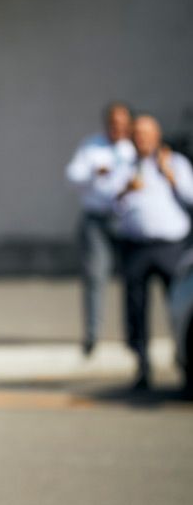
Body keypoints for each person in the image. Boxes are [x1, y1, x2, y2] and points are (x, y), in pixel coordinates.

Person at [107, 114, 193, 390]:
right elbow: (106, 204)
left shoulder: (176, 164)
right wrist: (123, 191)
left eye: (146, 133)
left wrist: (171, 176)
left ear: (157, 136)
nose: (141, 138)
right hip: (136, 247)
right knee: (136, 309)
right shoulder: (125, 167)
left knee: (181, 307)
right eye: (137, 134)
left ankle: (186, 367)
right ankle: (143, 366)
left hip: (171, 247)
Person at [65, 102, 136, 354]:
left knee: (134, 280)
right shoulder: (92, 146)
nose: (117, 127)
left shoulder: (133, 148)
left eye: (122, 123)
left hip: (127, 220)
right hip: (97, 220)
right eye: (113, 123)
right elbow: (72, 175)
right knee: (96, 276)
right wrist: (94, 172)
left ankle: (134, 338)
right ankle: (93, 335)